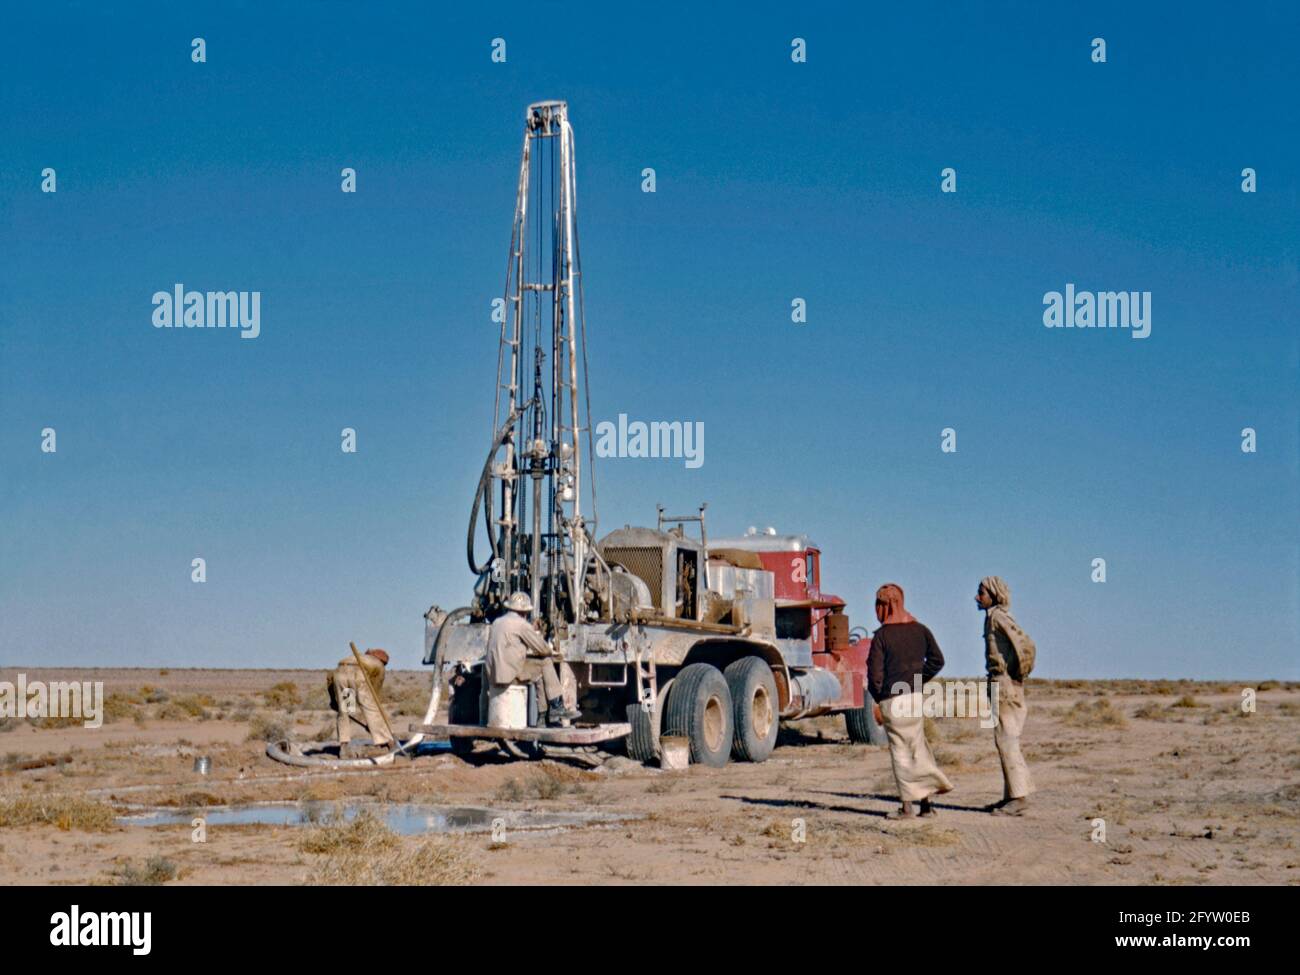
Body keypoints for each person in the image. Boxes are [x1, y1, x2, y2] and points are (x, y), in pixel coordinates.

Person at [866, 583, 953, 818]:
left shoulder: (882, 636)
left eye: (878, 604)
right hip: (915, 697)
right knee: (919, 749)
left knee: (901, 753)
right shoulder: (921, 630)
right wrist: (916, 680)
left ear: (886, 606)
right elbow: (937, 660)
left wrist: (879, 699)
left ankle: (907, 808)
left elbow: (875, 676)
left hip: (892, 701)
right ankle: (926, 805)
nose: (876, 610)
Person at [977, 576, 1037, 816]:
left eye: (981, 592)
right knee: (1004, 739)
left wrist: (1017, 674)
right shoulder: (992, 617)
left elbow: (1025, 646)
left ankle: (1019, 798)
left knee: (1006, 740)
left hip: (1004, 685)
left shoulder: (999, 617)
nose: (977, 597)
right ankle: (1011, 796)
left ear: (993, 594)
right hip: (999, 682)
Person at [486, 592, 581, 727]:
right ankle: (557, 706)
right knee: (545, 662)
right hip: (510, 677)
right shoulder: (521, 624)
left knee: (539, 674)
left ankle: (542, 717)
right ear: (524, 612)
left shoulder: (497, 622)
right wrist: (548, 649)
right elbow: (543, 649)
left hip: (493, 676)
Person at [327, 648, 393, 758]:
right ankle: (386, 742)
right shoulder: (379, 665)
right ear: (383, 661)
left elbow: (330, 678)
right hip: (358, 673)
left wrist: (334, 701)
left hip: (340, 674)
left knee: (345, 710)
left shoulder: (357, 657)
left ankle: (344, 746)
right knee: (371, 709)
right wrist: (373, 722)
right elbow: (375, 692)